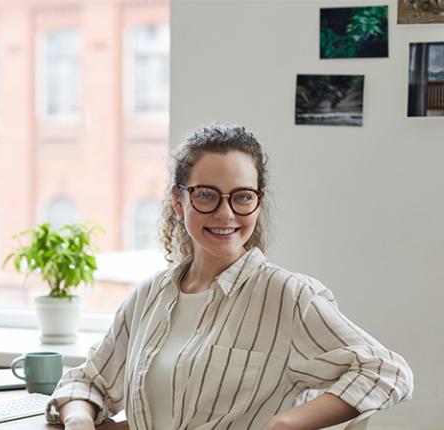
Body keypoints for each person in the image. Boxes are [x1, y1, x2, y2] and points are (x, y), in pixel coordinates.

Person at [45, 124, 413, 430]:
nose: (225, 214)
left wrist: (284, 424)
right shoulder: (149, 296)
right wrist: (79, 421)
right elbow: (86, 380)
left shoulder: (288, 295)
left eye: (241, 197)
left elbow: (386, 371)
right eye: (206, 195)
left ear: (258, 202)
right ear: (179, 200)